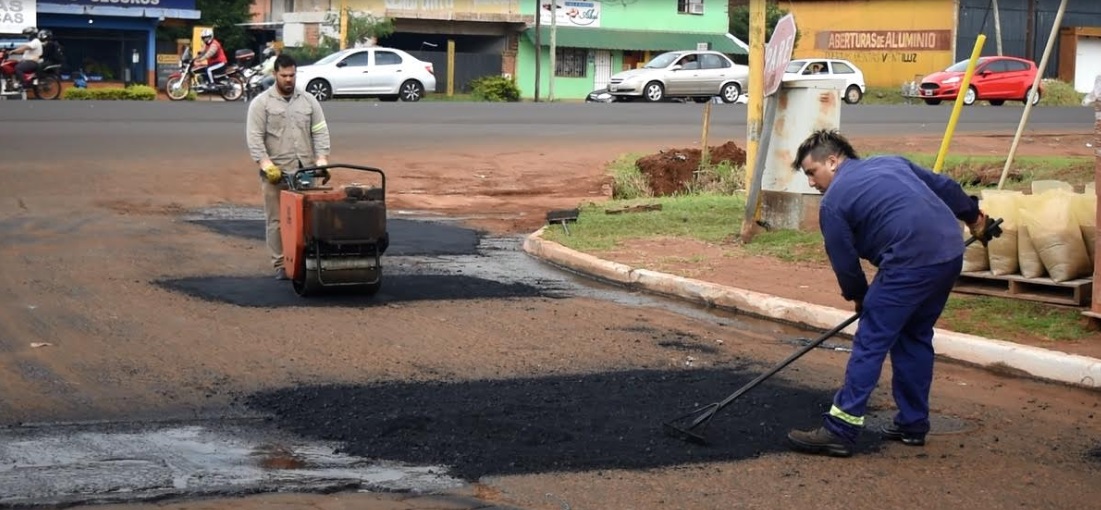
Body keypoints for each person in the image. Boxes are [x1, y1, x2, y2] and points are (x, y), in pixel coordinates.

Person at [785, 129, 999, 457]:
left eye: (812, 173)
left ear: (832, 161)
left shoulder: (833, 202)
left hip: (910, 261)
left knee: (871, 340)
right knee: (914, 335)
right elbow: (945, 187)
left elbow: (844, 262)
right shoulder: (891, 162)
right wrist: (975, 218)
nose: (812, 183)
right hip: (949, 252)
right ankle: (912, 424)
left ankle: (840, 429)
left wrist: (860, 298)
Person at [245, 54, 331, 280]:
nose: (289, 80)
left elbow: (320, 131)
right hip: (277, 173)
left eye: (292, 75)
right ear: (275, 75)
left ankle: (306, 261)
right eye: (284, 75)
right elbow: (255, 138)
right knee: (277, 220)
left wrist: (321, 159)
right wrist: (266, 165)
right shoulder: (261, 104)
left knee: (309, 220)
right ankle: (281, 264)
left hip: (305, 171)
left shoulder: (309, 101)